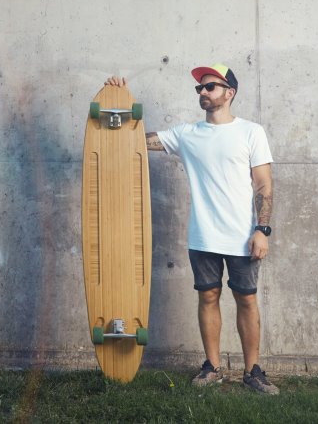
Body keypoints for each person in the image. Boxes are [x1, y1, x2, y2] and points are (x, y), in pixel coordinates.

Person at [106, 64, 279, 395]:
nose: (203, 92)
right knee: (208, 296)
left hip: (243, 236)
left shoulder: (251, 132)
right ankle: (212, 368)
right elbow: (134, 141)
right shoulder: (186, 134)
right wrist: (119, 102)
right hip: (203, 236)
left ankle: (253, 371)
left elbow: (264, 185)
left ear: (229, 93)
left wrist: (263, 230)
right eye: (199, 88)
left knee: (246, 300)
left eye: (210, 87)